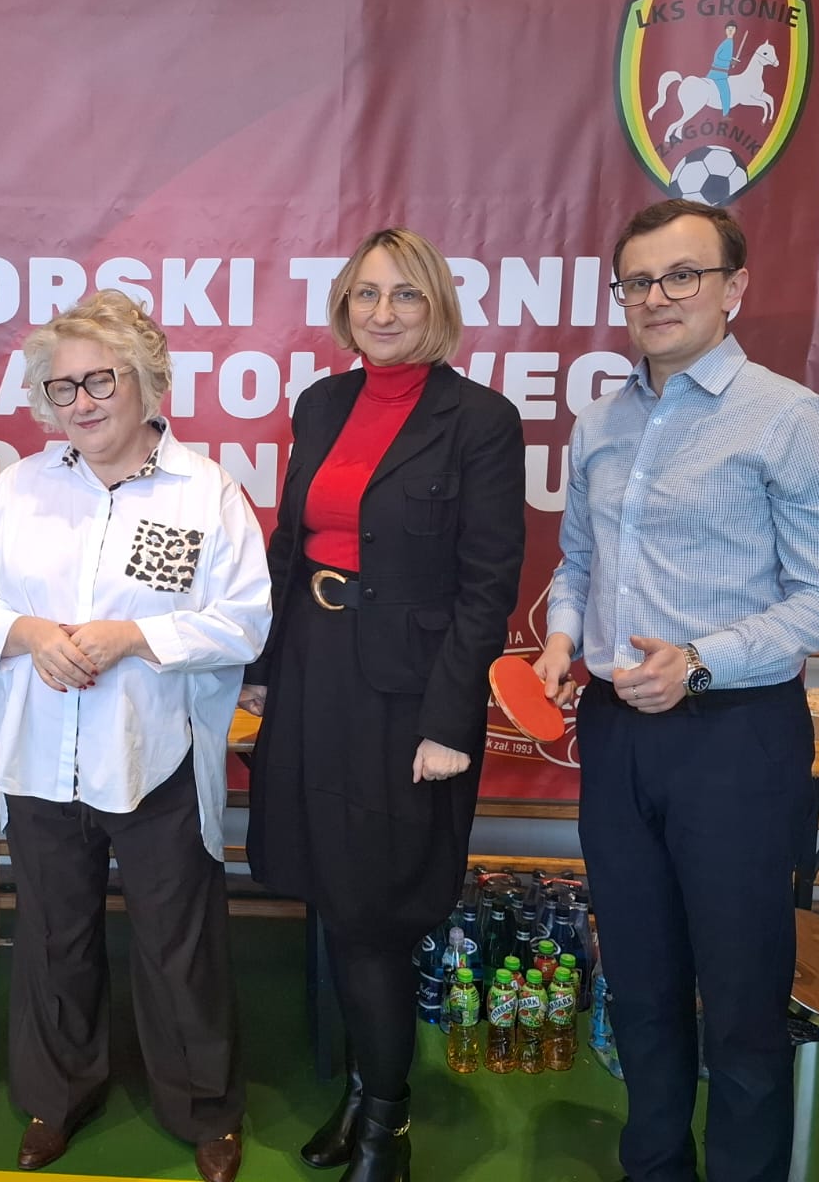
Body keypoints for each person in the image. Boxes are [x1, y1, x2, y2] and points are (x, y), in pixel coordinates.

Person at [531, 199, 819, 1182]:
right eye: (638, 281)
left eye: (682, 275)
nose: (657, 296)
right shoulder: (600, 422)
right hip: (616, 736)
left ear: (733, 288)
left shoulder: (789, 419)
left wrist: (700, 659)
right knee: (638, 986)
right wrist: (560, 639)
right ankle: (656, 1166)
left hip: (736, 738)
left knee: (743, 1000)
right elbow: (576, 562)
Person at [0, 290, 270, 1181]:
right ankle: (56, 1099)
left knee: (179, 943)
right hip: (40, 755)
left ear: (147, 383)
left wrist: (136, 637)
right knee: (53, 937)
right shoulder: (21, 489)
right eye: (62, 388)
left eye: (102, 381)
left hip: (156, 753)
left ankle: (204, 1108)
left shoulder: (206, 492)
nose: (82, 402)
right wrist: (28, 634)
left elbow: (245, 621)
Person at [240, 228, 526, 1182]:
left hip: (409, 696)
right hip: (313, 668)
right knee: (331, 888)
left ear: (436, 305)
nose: (384, 311)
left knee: (373, 909)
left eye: (405, 294)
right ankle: (367, 1092)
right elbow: (290, 545)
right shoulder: (321, 404)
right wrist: (263, 668)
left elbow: (488, 588)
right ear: (344, 308)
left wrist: (449, 722)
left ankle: (385, 1129)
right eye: (366, 294)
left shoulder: (480, 420)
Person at [708, 21, 738, 115]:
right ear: (725, 30)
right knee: (726, 93)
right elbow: (718, 57)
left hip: (719, 72)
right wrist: (730, 62)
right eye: (728, 28)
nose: (730, 30)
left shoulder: (729, 42)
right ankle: (725, 114)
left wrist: (731, 60)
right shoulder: (727, 42)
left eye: (732, 28)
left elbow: (724, 57)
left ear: (735, 31)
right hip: (719, 74)